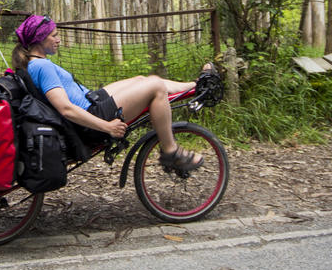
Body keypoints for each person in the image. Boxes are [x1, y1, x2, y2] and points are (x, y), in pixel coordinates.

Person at [12, 15, 211, 171]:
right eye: (54, 35)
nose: (59, 40)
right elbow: (65, 109)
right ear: (39, 39)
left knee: (142, 80)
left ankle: (194, 85)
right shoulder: (42, 66)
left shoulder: (34, 62)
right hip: (93, 116)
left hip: (92, 100)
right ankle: (171, 152)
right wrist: (107, 127)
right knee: (155, 86)